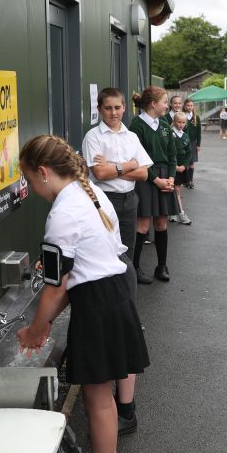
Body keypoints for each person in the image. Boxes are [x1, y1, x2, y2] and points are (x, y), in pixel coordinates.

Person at [16, 134, 150, 453]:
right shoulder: (88, 191)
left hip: (98, 306)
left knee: (98, 401)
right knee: (103, 396)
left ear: (43, 173)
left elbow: (56, 291)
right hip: (114, 295)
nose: (30, 187)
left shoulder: (62, 212)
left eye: (28, 179)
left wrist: (36, 330)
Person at [82, 87, 152, 432]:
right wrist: (127, 166)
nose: (114, 113)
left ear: (125, 108)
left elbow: (145, 174)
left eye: (118, 107)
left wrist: (118, 167)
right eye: (108, 108)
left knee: (126, 260)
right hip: (105, 201)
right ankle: (118, 309)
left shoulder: (130, 134)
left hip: (129, 202)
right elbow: (100, 176)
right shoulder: (93, 137)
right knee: (112, 260)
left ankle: (128, 312)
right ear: (100, 109)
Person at [129, 87, 178, 282]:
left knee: (161, 222)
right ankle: (135, 268)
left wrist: (171, 178)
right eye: (165, 102)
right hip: (146, 178)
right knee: (142, 224)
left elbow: (173, 155)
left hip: (165, 177)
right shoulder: (136, 126)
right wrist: (156, 180)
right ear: (153, 104)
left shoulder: (165, 124)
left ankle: (162, 266)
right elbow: (137, 160)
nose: (167, 106)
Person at [171, 112, 193, 224]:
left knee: (177, 190)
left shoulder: (185, 136)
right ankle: (180, 213)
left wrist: (184, 166)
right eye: (179, 122)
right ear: (174, 122)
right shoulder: (170, 134)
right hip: (171, 168)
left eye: (183, 122)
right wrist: (174, 166)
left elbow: (189, 153)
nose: (181, 124)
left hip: (181, 169)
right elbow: (168, 152)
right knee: (173, 190)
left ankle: (174, 212)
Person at [182, 98, 201, 189]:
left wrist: (198, 145)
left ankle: (190, 181)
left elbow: (199, 132)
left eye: (191, 105)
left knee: (192, 162)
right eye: (188, 105)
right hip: (183, 143)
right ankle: (185, 180)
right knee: (184, 162)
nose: (190, 107)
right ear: (185, 106)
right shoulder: (181, 116)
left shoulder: (196, 118)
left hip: (193, 143)